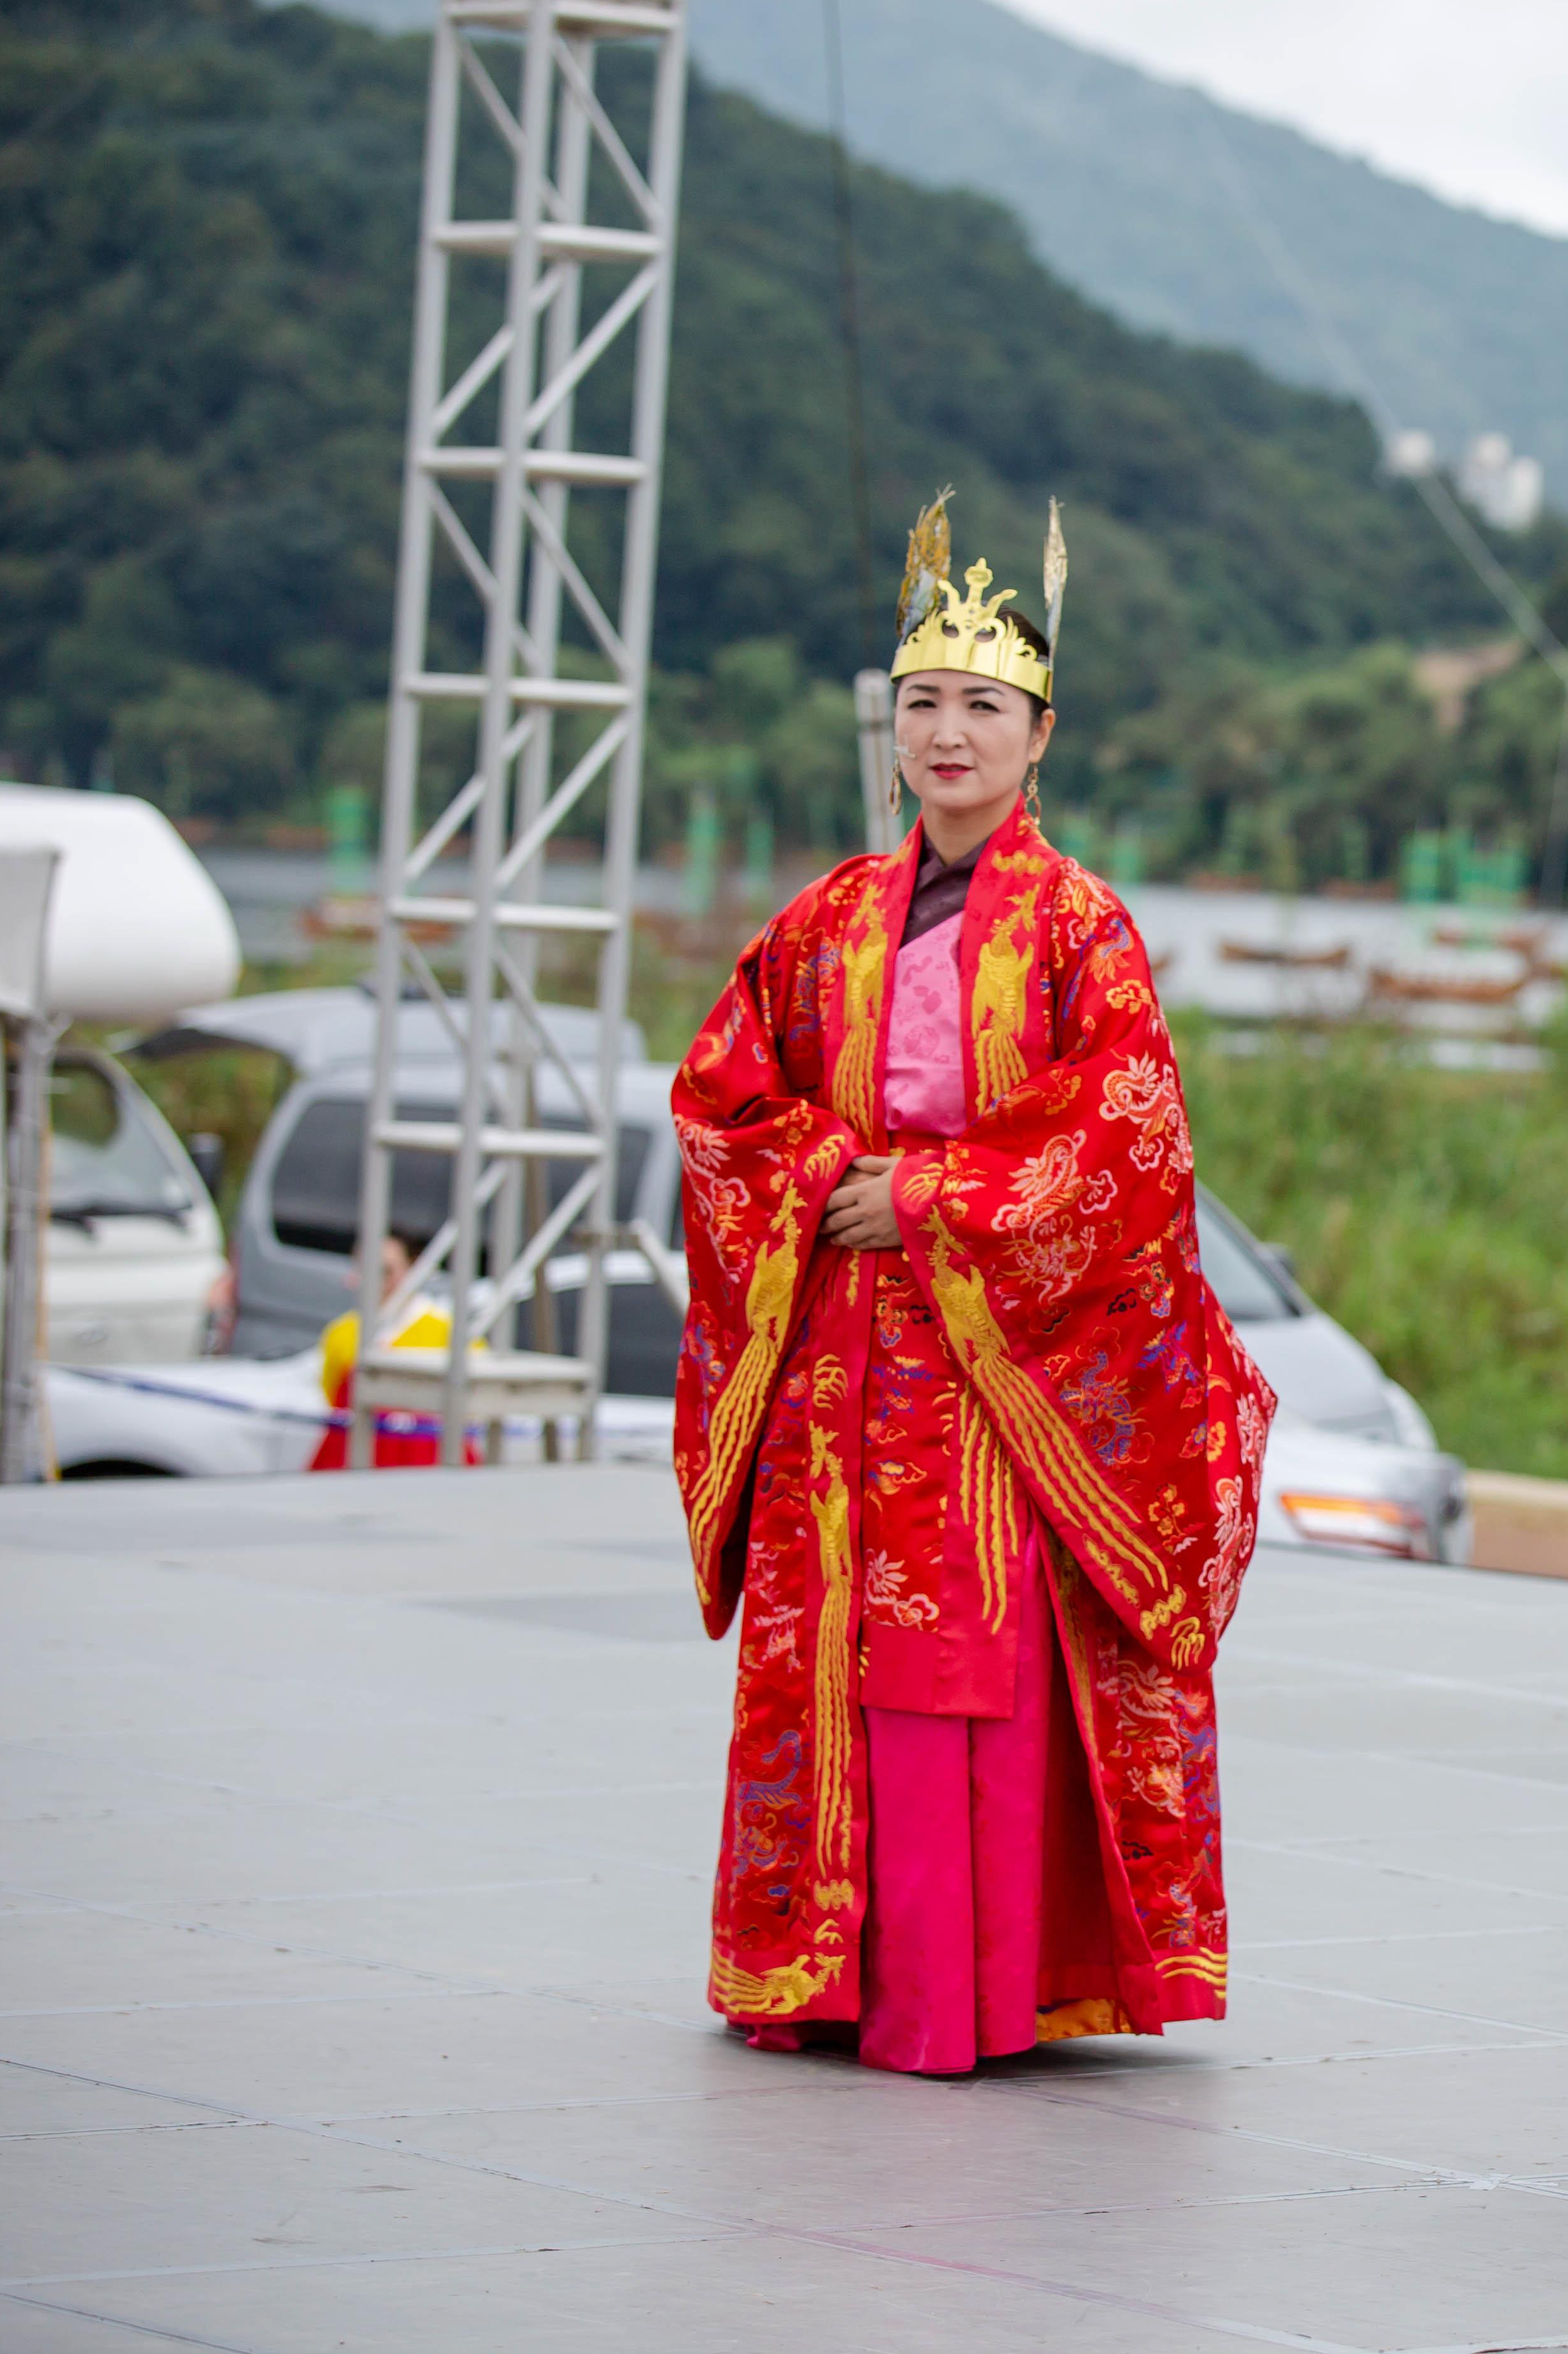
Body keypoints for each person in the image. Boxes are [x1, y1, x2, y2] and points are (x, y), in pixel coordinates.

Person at [669, 495, 1274, 2077]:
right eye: (923, 702)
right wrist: (821, 1180)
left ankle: (968, 1988)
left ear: (1039, 734)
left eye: (982, 707)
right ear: (892, 726)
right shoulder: (818, 925)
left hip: (989, 1361)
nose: (949, 732)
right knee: (833, 1660)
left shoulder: (1081, 928)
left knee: (960, 1661)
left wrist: (930, 1193)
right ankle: (819, 1970)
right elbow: (722, 1097)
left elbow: (1130, 1141)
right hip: (836, 1368)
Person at [307, 1232, 455, 1470]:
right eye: (365, 1271)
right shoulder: (341, 1333)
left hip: (423, 1464)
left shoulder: (447, 1333)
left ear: (411, 1270)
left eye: (386, 1272)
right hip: (353, 1460)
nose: (376, 1284)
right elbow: (332, 1398)